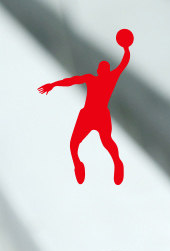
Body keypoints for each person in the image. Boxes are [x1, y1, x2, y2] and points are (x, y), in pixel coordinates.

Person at [37, 33, 132, 185]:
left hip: (99, 115)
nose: (102, 70)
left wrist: (126, 49)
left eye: (104, 68)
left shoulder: (108, 79)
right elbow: (71, 81)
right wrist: (53, 85)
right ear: (99, 70)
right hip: (89, 115)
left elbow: (123, 64)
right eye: (101, 68)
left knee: (105, 142)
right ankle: (80, 165)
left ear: (106, 71)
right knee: (75, 144)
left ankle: (117, 163)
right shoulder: (93, 79)